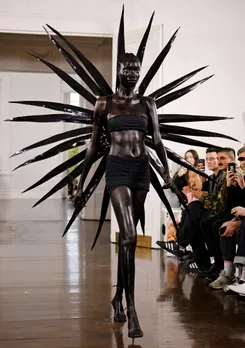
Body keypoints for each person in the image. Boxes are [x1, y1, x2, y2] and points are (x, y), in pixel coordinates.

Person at [75, 52, 172, 339]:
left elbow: (157, 139)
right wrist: (81, 183)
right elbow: (93, 145)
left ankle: (117, 297)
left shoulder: (148, 103)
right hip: (116, 168)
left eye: (136, 69)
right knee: (129, 236)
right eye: (127, 68)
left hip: (141, 170)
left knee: (128, 241)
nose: (132, 72)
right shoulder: (104, 103)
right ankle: (131, 309)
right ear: (119, 70)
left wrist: (166, 170)